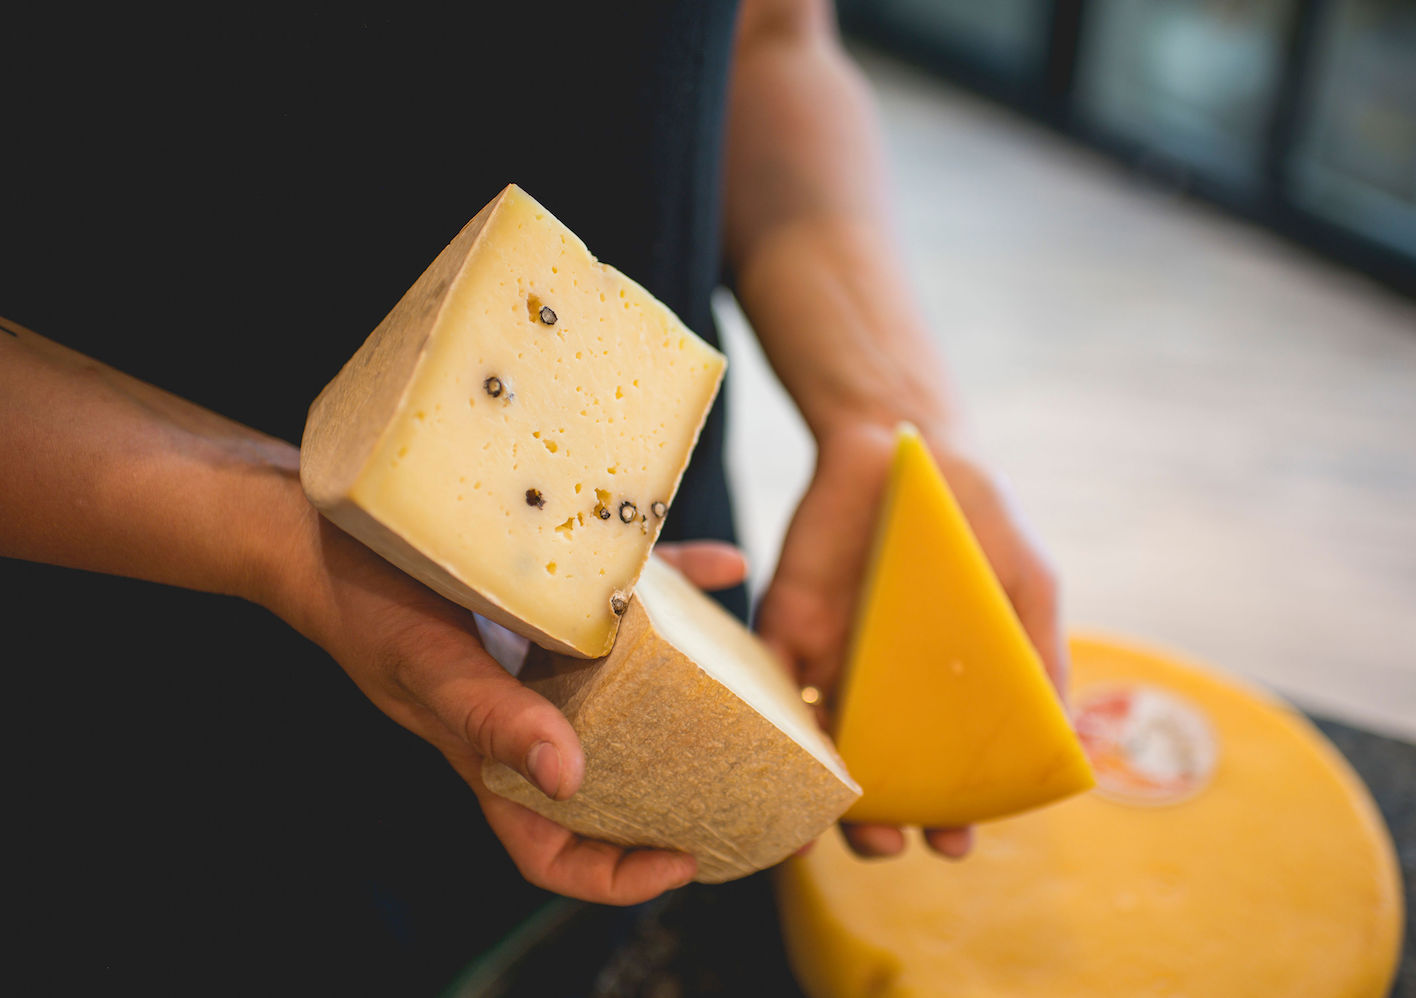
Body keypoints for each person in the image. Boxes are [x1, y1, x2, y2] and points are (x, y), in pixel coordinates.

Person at [1, 0, 1063, 990]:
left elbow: (768, 43)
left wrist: (887, 410)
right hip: (161, 709)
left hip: (639, 598)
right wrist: (266, 518)